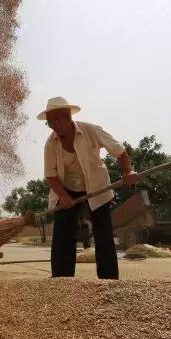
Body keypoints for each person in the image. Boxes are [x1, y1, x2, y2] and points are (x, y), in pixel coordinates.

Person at [40, 97, 139, 279]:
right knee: (63, 233)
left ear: (68, 117)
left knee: (104, 234)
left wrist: (128, 171)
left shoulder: (91, 130)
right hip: (66, 189)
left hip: (97, 186)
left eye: (56, 120)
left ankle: (108, 281)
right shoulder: (51, 143)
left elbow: (120, 151)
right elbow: (51, 175)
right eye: (49, 122)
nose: (52, 126)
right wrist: (63, 196)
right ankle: (61, 281)